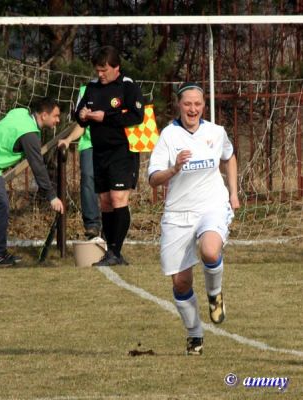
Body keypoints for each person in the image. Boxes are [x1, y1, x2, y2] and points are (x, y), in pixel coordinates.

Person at [148, 82, 240, 355]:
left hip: (212, 205)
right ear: (179, 105)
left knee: (210, 251)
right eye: (187, 104)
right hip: (178, 214)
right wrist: (174, 168)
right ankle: (195, 335)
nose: (193, 108)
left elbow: (229, 156)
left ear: (203, 106)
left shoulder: (215, 132)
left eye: (197, 104)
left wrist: (233, 192)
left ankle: (215, 295)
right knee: (181, 282)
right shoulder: (168, 136)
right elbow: (153, 179)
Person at [0, 97, 64, 267]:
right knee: (0, 206)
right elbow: (38, 167)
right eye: (55, 116)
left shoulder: (20, 113)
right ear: (44, 115)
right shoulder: (29, 134)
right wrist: (52, 197)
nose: (58, 120)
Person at [75, 45, 144, 266]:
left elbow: (136, 116)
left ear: (117, 67)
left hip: (122, 151)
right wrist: (83, 115)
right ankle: (111, 251)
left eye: (104, 70)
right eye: (98, 70)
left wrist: (106, 117)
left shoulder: (128, 86)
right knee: (105, 202)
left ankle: (115, 250)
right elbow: (78, 115)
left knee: (118, 199)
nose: (100, 74)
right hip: (99, 151)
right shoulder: (92, 87)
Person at [58, 86, 101, 240]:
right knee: (88, 178)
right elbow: (80, 123)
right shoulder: (85, 91)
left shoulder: (121, 86)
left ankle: (111, 228)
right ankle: (92, 224)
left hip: (113, 146)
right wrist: (69, 139)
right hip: (89, 144)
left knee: (111, 189)